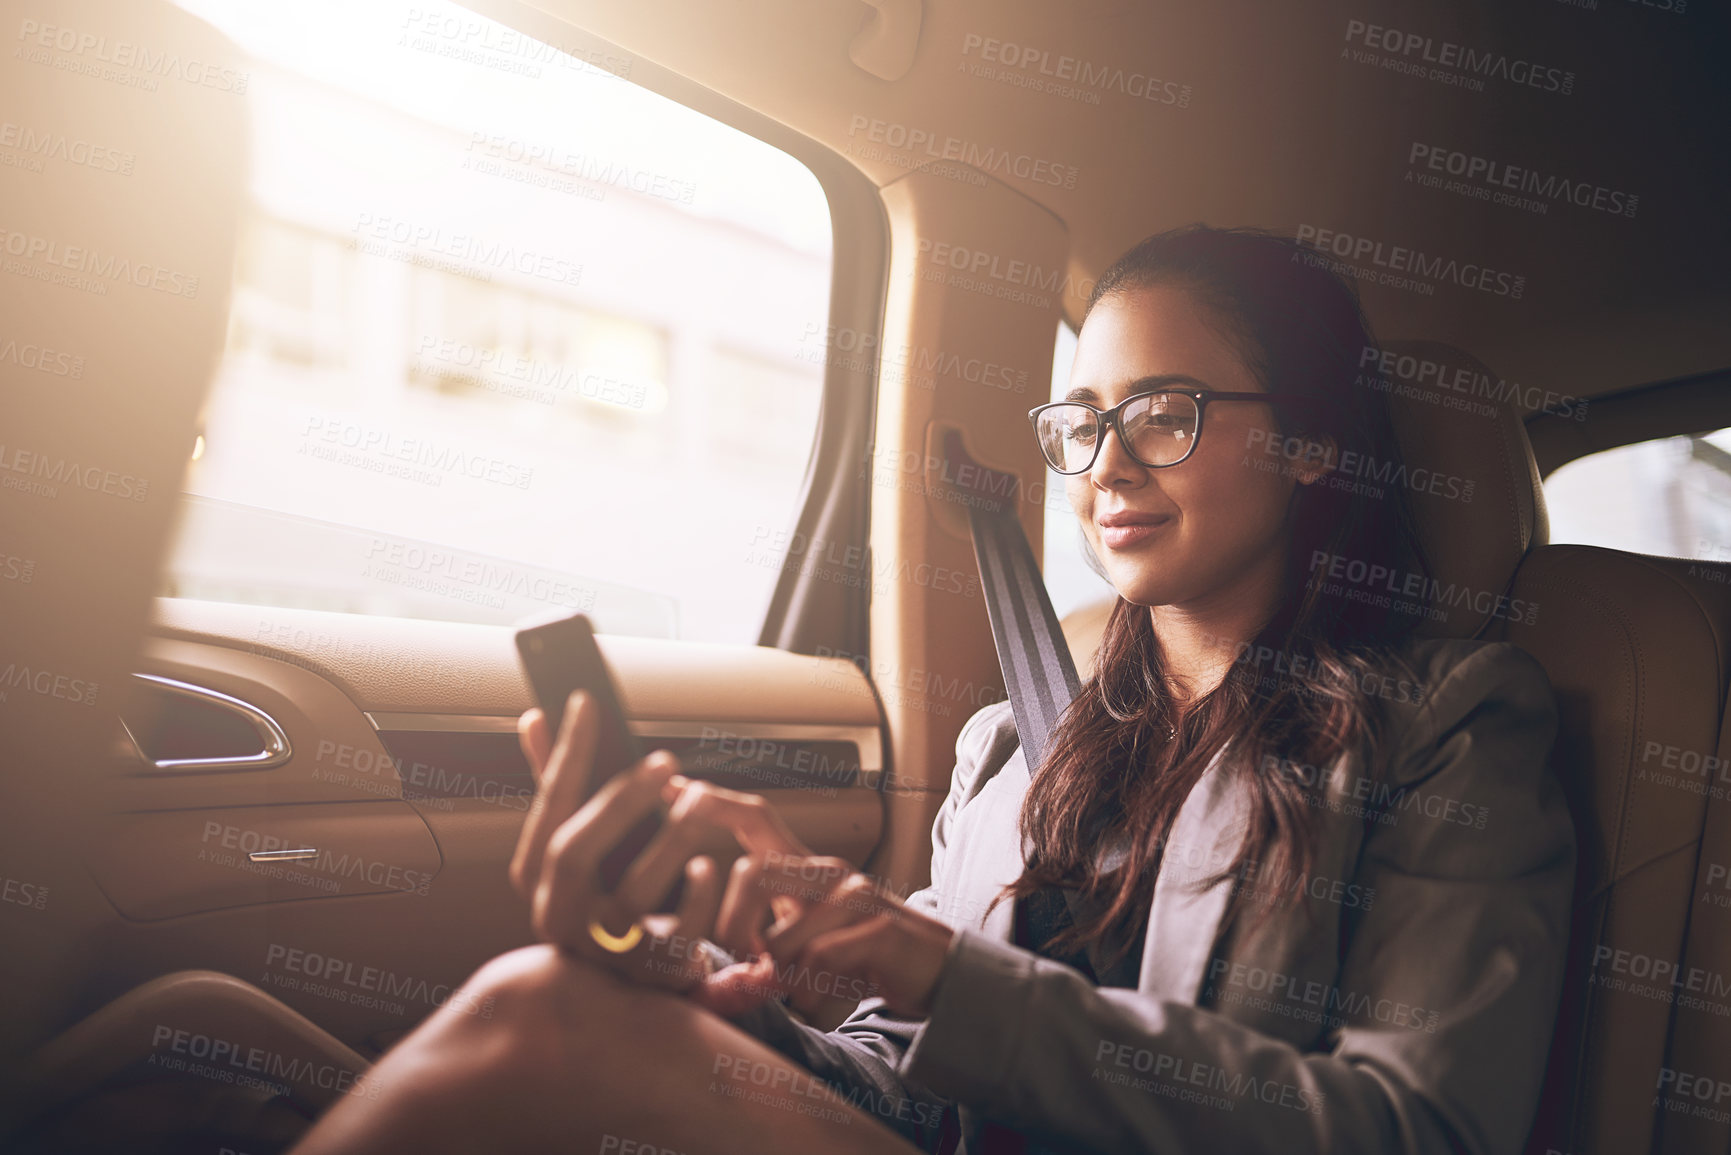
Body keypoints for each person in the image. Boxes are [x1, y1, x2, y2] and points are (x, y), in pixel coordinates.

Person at [290, 225, 1576, 1154]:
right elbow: (909, 1081)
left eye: (1165, 413)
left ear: (1307, 444)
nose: (1105, 466)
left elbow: (1418, 1128)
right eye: (1082, 424)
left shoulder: (1452, 724)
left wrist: (933, 968)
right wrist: (707, 999)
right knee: (206, 1034)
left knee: (534, 1017)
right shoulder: (1017, 743)